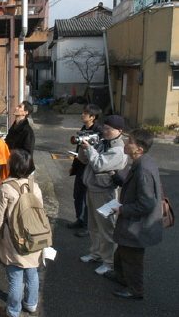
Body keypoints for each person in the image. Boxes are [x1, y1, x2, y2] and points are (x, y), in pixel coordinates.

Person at [107, 129, 163, 300]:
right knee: (122, 252)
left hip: (138, 225)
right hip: (133, 223)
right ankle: (121, 277)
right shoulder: (142, 162)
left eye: (130, 141)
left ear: (139, 149)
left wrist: (122, 209)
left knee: (133, 259)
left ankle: (135, 290)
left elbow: (146, 203)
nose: (125, 144)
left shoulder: (143, 169)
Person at [0, 149, 42, 317]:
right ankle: (32, 304)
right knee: (32, 272)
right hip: (34, 236)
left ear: (13, 166)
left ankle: (13, 310)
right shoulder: (35, 186)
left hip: (14, 238)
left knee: (15, 277)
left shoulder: (6, 189)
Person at [77, 115, 128, 275]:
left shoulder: (119, 149)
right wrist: (84, 146)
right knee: (93, 225)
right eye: (104, 128)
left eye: (109, 130)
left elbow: (99, 165)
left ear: (120, 131)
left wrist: (90, 149)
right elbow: (85, 160)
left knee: (106, 228)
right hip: (92, 188)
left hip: (106, 193)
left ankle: (109, 262)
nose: (105, 132)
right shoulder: (103, 142)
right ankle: (96, 253)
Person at [68, 104, 104, 237]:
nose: (82, 115)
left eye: (85, 113)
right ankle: (80, 219)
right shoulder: (84, 128)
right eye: (83, 112)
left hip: (91, 167)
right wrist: (74, 165)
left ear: (93, 117)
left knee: (88, 197)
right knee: (78, 194)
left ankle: (88, 226)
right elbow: (79, 150)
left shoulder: (98, 131)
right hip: (81, 165)